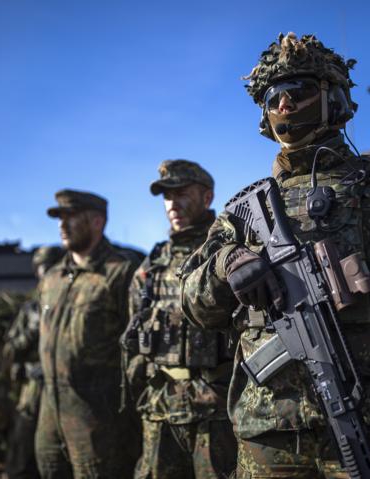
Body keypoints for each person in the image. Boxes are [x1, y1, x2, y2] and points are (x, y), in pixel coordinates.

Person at [180, 33, 370, 479]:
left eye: (297, 92)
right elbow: (193, 305)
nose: (283, 105)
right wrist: (225, 266)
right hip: (267, 435)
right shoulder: (242, 213)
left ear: (332, 99)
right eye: (272, 96)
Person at [121, 160, 237, 479]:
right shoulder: (152, 265)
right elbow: (134, 334)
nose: (172, 203)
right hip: (161, 411)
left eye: (182, 193)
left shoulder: (228, 253)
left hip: (217, 414)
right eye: (166, 196)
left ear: (207, 197)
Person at [35, 189, 143, 479]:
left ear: (97, 222)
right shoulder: (52, 277)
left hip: (99, 420)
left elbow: (138, 350)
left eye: (72, 217)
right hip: (51, 412)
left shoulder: (120, 273)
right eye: (60, 218)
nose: (62, 225)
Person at [4, 246, 65, 479]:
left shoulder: (72, 305)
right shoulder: (29, 310)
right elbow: (10, 351)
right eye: (41, 270)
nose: (45, 275)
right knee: (22, 454)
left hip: (65, 390)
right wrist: (29, 331)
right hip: (34, 391)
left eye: (49, 269)